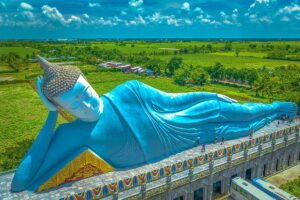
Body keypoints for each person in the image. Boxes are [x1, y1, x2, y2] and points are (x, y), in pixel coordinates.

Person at [11, 56, 298, 192]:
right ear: (63, 109)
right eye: (74, 104)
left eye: (86, 93)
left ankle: (276, 109)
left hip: (187, 118)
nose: (87, 104)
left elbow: (175, 100)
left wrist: (211, 93)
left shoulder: (128, 90)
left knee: (244, 112)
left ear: (89, 82)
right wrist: (50, 114)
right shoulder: (70, 134)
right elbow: (21, 182)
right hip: (195, 138)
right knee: (246, 129)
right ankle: (274, 116)